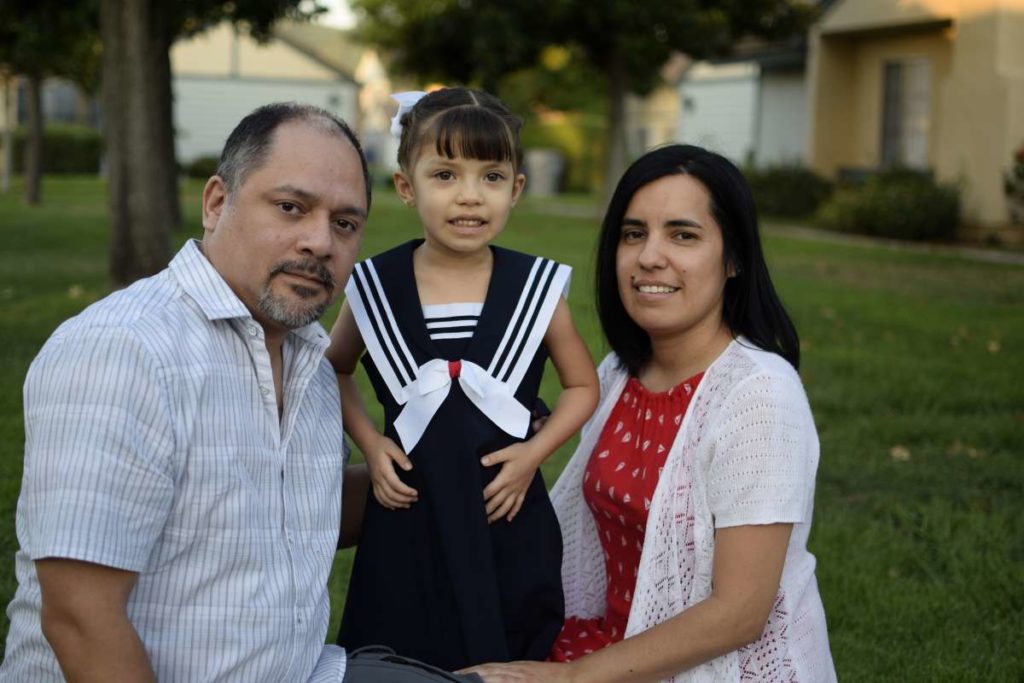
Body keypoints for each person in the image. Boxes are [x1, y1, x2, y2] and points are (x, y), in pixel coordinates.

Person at [0, 102, 483, 683]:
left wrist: (456, 462)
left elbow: (290, 509)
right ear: (216, 203)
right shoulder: (124, 351)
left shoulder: (307, 351)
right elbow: (80, 618)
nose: (319, 242)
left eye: (345, 224)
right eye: (290, 207)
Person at [463, 145, 837, 682]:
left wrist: (569, 679)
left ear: (734, 259)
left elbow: (740, 613)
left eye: (683, 235)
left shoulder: (759, 396)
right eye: (633, 234)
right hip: (608, 646)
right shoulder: (619, 373)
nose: (649, 257)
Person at [328, 87, 599, 671]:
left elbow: (582, 388)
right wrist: (370, 445)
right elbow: (335, 369)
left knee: (502, 651)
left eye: (492, 177)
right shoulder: (375, 288)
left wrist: (532, 455)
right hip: (407, 518)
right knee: (400, 654)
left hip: (503, 514)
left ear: (516, 189)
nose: (470, 197)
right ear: (407, 186)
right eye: (445, 175)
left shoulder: (538, 291)